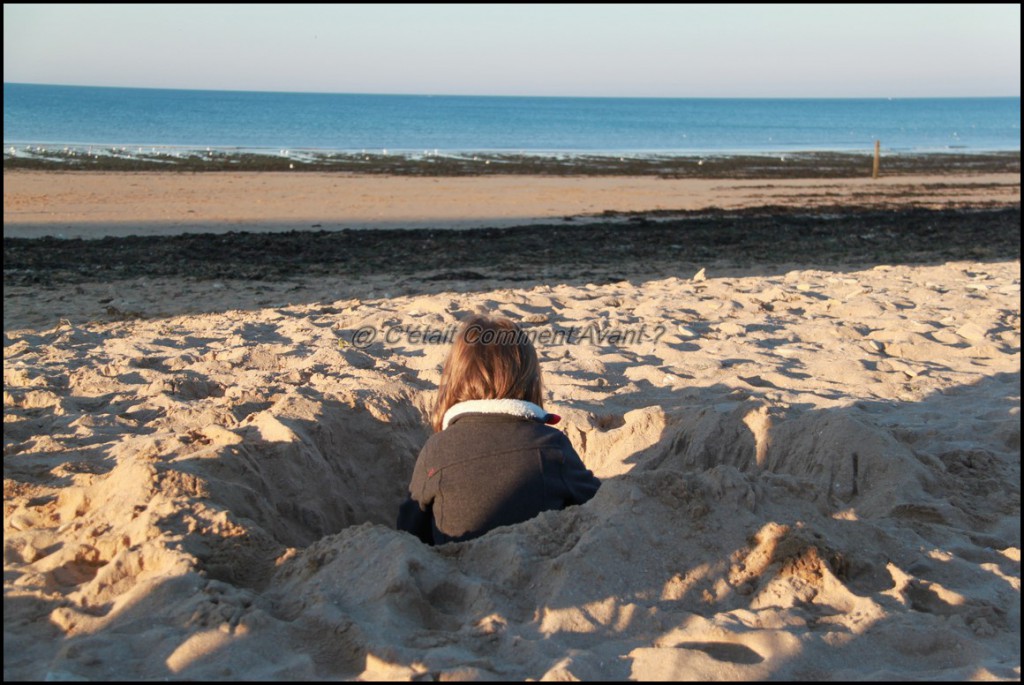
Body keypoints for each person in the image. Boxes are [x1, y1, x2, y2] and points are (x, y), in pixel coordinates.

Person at [396, 315, 600, 545]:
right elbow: (599, 503)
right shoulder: (551, 444)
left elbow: (408, 530)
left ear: (454, 380)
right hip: (537, 572)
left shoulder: (436, 448)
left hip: (455, 570)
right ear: (529, 379)